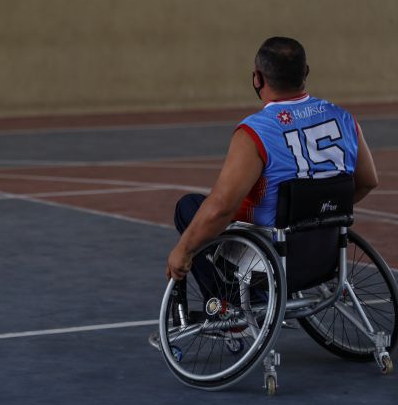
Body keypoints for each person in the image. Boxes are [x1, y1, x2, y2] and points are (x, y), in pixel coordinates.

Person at [149, 36, 379, 349]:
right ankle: (257, 295)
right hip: (325, 250)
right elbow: (368, 181)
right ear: (305, 72)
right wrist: (322, 212)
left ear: (257, 78)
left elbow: (221, 209)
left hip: (273, 251)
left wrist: (184, 250)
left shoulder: (255, 131)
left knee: (191, 208)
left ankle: (228, 311)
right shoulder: (344, 118)